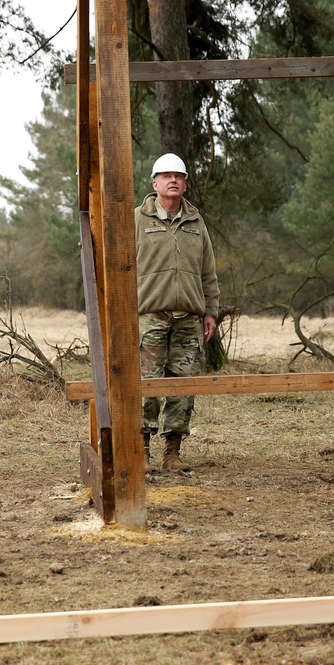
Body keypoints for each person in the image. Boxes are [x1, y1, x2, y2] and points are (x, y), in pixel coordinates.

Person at [135, 153, 219, 472]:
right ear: (154, 183)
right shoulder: (136, 220)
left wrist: (210, 311)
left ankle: (172, 453)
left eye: (179, 176)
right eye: (166, 175)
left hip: (189, 319)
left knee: (183, 386)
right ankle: (140, 450)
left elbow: (208, 272)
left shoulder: (196, 224)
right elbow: (119, 267)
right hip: (149, 316)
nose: (173, 180)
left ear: (185, 183)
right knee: (146, 385)